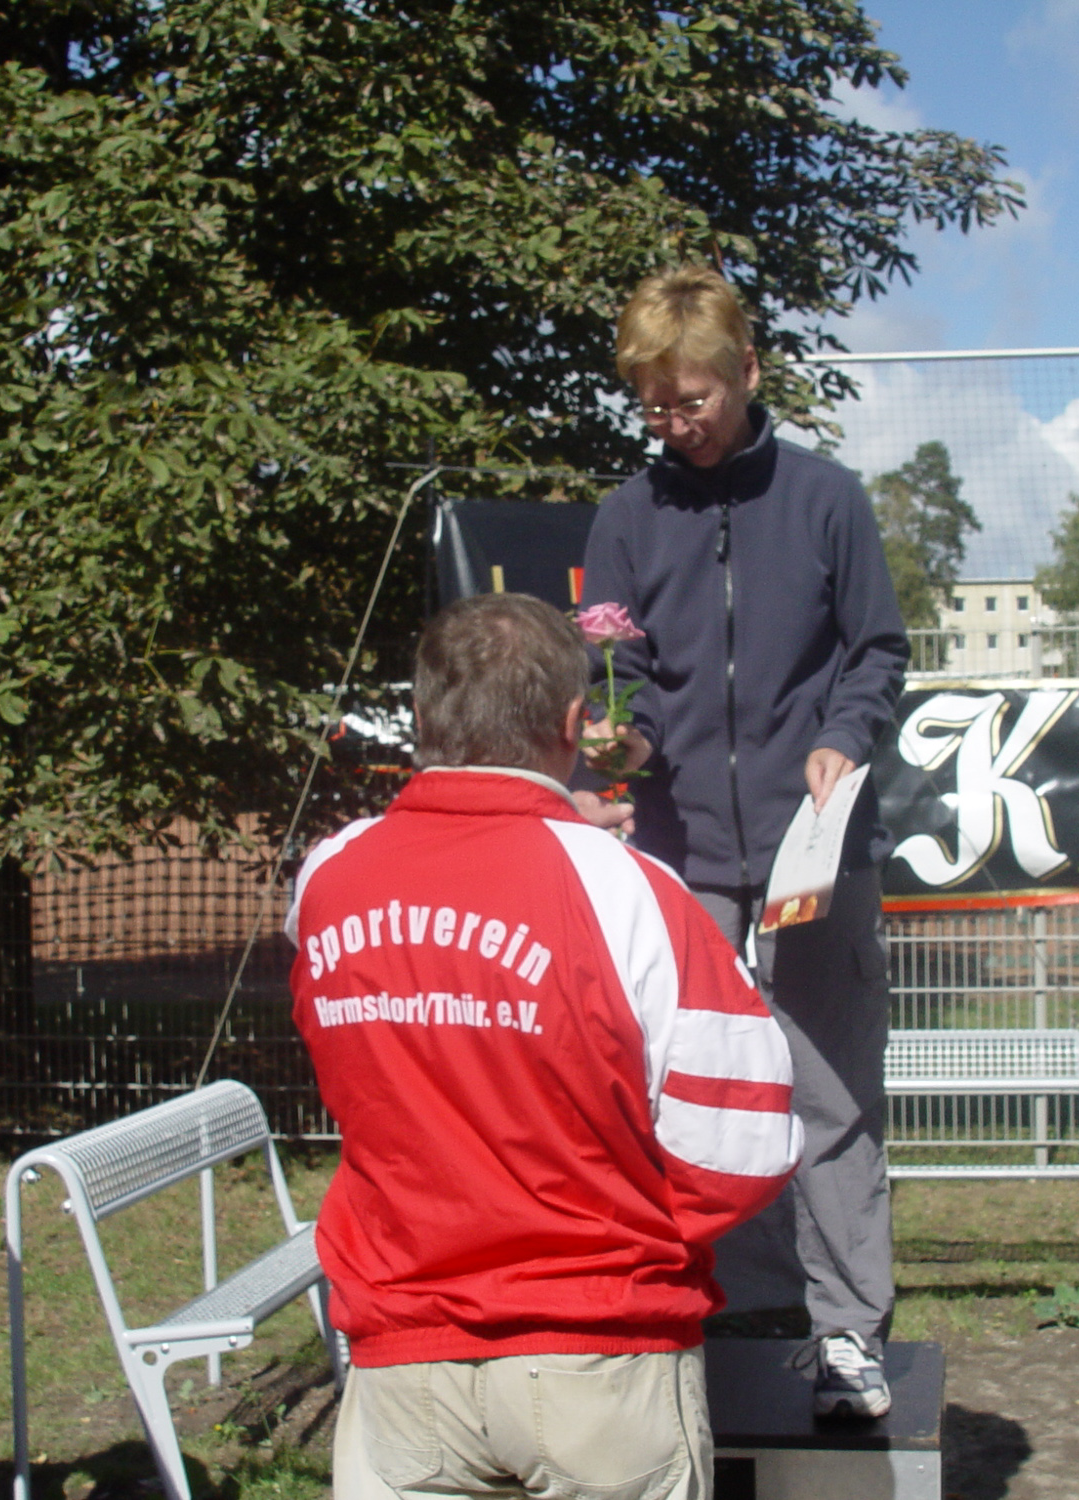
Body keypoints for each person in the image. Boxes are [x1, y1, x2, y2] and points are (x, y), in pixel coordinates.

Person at [287, 592, 802, 1500]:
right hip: (599, 1357)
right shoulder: (634, 893)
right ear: (572, 724)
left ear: (422, 720)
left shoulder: (329, 877)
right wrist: (618, 1232)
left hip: (399, 1363)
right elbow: (743, 1144)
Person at [577, 264, 910, 1418]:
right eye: (653, 407)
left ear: (747, 371)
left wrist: (841, 739)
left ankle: (847, 1333)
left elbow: (875, 649)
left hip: (816, 848)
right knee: (684, 1095)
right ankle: (715, 1313)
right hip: (680, 857)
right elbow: (621, 673)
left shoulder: (826, 499)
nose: (674, 424)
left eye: (692, 401)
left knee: (829, 1092)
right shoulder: (625, 516)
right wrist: (621, 743)